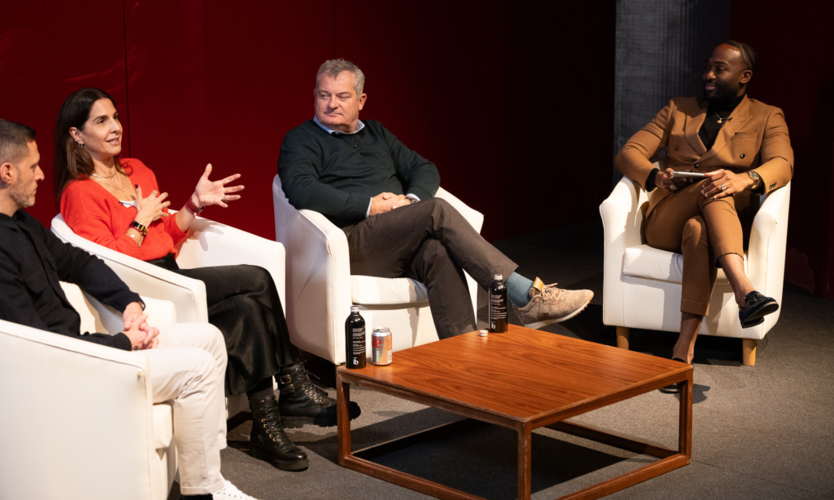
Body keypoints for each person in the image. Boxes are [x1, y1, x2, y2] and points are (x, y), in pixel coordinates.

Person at [0, 119, 256, 500]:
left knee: (207, 339)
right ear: (6, 172)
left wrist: (129, 305)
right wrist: (122, 344)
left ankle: (206, 478)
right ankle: (203, 493)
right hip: (61, 373)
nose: (42, 175)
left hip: (79, 350)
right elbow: (36, 347)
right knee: (197, 369)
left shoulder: (17, 221)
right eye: (33, 166)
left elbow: (78, 262)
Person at [53, 88, 360, 472]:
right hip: (143, 287)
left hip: (172, 273)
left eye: (115, 116)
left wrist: (193, 205)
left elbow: (165, 233)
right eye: (101, 121)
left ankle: (267, 426)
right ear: (76, 135)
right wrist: (140, 220)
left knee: (248, 307)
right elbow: (107, 264)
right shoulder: (79, 193)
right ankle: (294, 384)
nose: (116, 127)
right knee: (257, 277)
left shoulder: (136, 170)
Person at [278, 59, 594, 340]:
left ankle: (465, 368)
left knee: (437, 252)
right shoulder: (301, 139)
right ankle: (526, 296)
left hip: (395, 237)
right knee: (437, 211)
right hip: (348, 242)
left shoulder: (376, 133)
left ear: (361, 100)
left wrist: (410, 202)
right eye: (324, 95)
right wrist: (373, 205)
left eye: (342, 96)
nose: (332, 104)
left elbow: (423, 168)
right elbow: (301, 189)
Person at [616, 41, 794, 391]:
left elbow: (783, 164)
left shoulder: (767, 115)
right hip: (667, 218)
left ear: (744, 77)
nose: (708, 75)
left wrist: (745, 178)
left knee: (700, 229)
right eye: (707, 67)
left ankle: (683, 349)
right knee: (711, 187)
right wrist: (657, 177)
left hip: (716, 224)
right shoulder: (679, 109)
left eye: (719, 69)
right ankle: (745, 291)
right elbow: (630, 153)